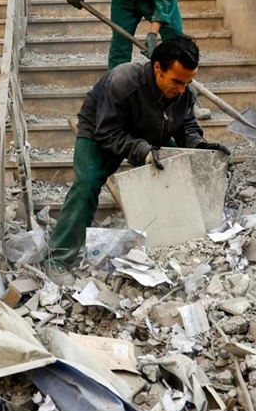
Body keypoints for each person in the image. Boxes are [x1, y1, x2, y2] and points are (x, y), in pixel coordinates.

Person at [44, 35, 231, 274]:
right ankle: (58, 260)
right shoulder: (122, 81)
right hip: (102, 130)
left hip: (151, 129)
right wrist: (142, 150)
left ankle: (169, 244)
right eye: (177, 81)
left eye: (188, 82)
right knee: (86, 185)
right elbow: (108, 131)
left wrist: (202, 148)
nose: (182, 89)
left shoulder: (185, 92)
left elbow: (187, 128)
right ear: (157, 68)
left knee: (174, 173)